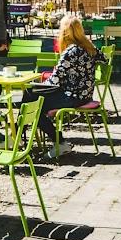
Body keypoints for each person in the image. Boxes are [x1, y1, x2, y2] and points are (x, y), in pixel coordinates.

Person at [22, 15, 100, 160]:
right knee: (31, 98)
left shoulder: (70, 52)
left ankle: (58, 142)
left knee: (32, 103)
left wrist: (36, 87)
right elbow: (104, 58)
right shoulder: (90, 47)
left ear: (64, 32)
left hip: (72, 96)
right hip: (85, 95)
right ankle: (24, 136)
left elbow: (54, 81)